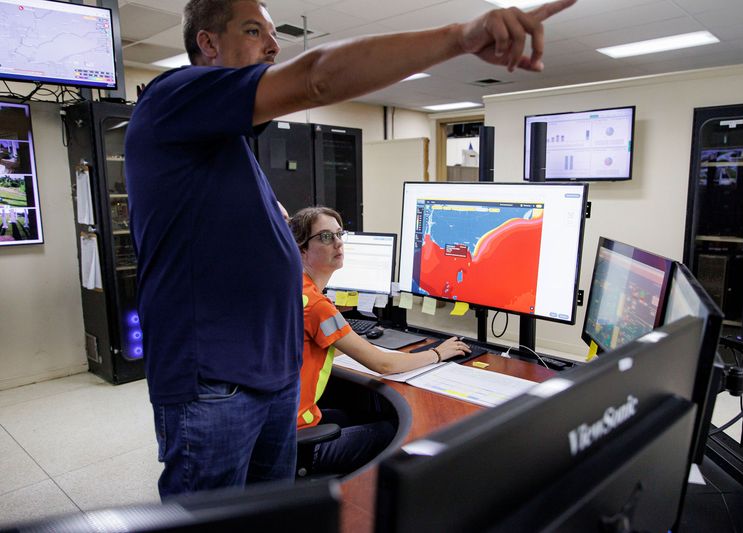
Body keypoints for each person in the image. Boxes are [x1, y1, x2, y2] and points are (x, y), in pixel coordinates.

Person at [124, 0, 577, 498]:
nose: (273, 46)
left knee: (270, 518)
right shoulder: (173, 99)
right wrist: (462, 36)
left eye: (273, 33)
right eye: (254, 31)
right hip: (216, 384)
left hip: (270, 379)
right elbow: (317, 77)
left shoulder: (224, 146)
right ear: (207, 43)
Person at [290, 206, 470, 475]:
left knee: (361, 415)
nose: (338, 243)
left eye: (340, 234)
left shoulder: (295, 287)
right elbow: (383, 365)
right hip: (295, 444)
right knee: (392, 429)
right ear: (302, 249)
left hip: (281, 424)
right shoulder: (317, 305)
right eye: (326, 237)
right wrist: (438, 353)